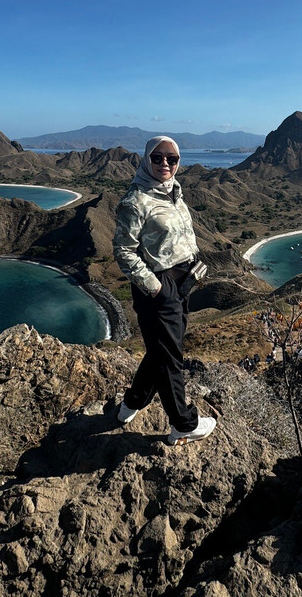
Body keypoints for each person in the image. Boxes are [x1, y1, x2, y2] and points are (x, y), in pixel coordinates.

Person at [113, 136, 217, 446]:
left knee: (161, 350)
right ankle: (182, 423)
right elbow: (123, 251)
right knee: (171, 357)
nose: (165, 164)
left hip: (183, 282)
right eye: (158, 158)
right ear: (146, 160)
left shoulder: (173, 193)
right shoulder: (136, 201)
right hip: (158, 287)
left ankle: (130, 405)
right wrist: (156, 287)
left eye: (171, 158)